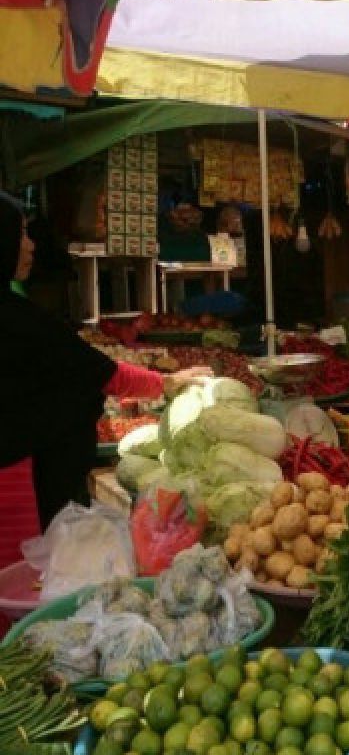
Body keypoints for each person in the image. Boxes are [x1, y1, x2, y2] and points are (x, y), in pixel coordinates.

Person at [0, 193, 209, 529]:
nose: (30, 246)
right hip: (16, 497)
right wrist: (165, 383)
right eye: (21, 234)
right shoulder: (22, 323)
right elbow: (99, 373)